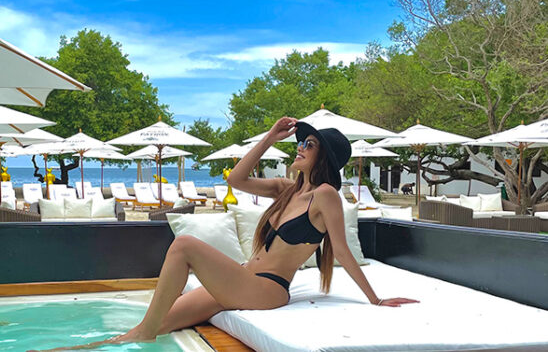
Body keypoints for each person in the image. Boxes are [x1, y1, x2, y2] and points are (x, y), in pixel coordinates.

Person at [38, 118, 418, 351]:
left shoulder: (326, 195)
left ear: (325, 158)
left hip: (266, 290)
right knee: (152, 323)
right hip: (242, 278)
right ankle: (77, 349)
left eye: (310, 144)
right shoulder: (286, 189)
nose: (301, 147)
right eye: (300, 142)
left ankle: (136, 340)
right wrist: (269, 138)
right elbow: (235, 179)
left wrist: (376, 299)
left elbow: (344, 252)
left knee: (184, 246)